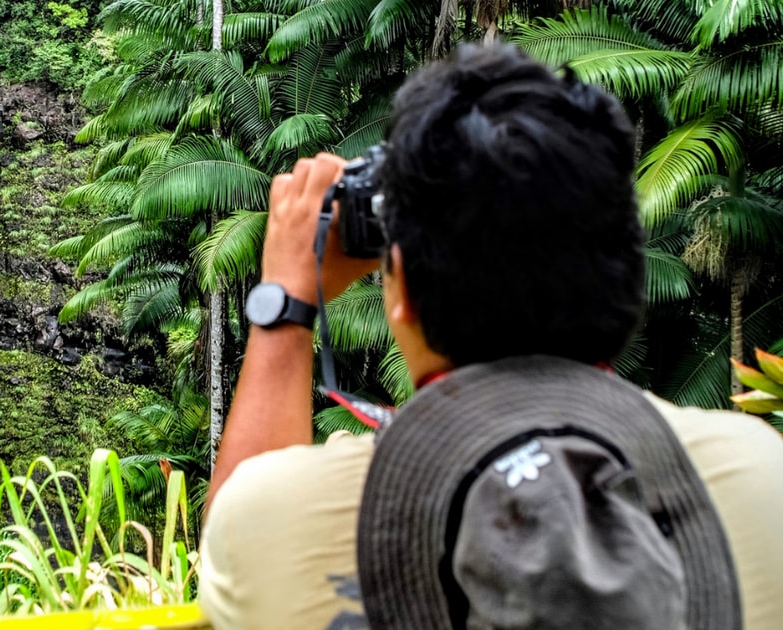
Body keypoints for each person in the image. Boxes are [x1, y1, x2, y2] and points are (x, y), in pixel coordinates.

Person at [199, 43, 783, 630]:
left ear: (399, 284)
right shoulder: (759, 478)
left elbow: (238, 534)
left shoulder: (283, 518)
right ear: (627, 265)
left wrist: (286, 306)